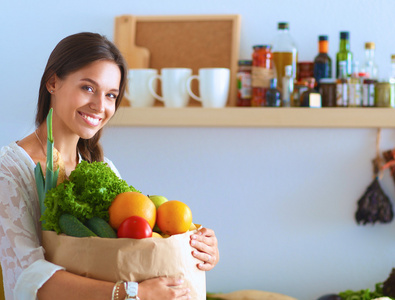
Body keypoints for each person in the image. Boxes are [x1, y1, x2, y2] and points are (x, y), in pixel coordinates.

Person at [0, 32, 219, 300]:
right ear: (53, 82)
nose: (99, 106)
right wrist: (133, 293)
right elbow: (26, 276)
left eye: (111, 95)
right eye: (88, 88)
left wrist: (195, 242)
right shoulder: (9, 170)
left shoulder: (103, 168)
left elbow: (131, 244)